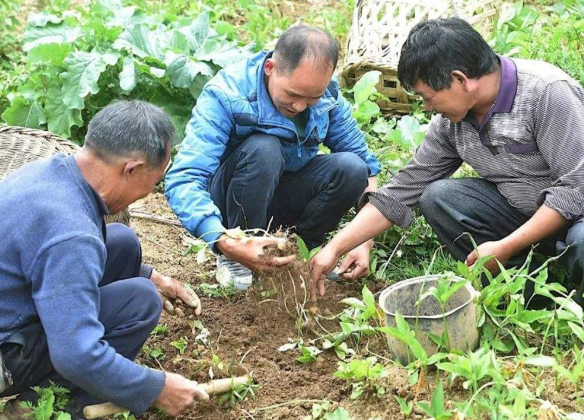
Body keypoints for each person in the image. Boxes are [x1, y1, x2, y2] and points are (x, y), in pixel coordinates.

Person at [311, 18, 584, 304]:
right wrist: (337, 247)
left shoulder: (547, 93)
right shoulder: (451, 122)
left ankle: (574, 305)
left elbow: (574, 191)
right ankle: (528, 297)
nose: (427, 108)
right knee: (440, 198)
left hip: (577, 213)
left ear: (460, 80)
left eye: (428, 98)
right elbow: (403, 190)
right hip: (526, 212)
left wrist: (505, 245)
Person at [0, 101, 208, 420]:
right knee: (140, 301)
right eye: (153, 183)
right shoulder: (70, 233)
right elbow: (75, 355)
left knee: (122, 243)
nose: (149, 193)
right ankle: (32, 407)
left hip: (11, 306)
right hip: (4, 359)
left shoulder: (53, 171)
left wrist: (153, 276)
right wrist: (155, 388)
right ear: (132, 169)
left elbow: (55, 257)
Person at [165, 25, 381, 291]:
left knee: (352, 168)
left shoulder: (328, 98)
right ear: (270, 68)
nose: (300, 106)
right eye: (293, 95)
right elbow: (185, 177)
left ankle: (298, 250)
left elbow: (367, 167)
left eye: (311, 98)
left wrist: (363, 238)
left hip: (283, 194)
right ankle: (240, 257)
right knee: (264, 149)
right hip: (234, 200)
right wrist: (224, 241)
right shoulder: (227, 94)